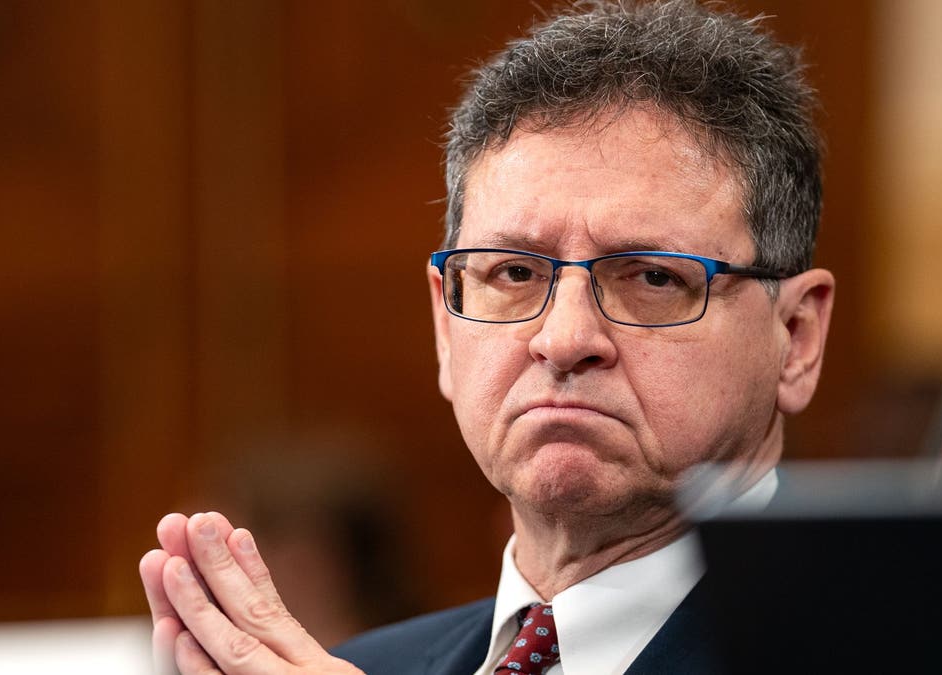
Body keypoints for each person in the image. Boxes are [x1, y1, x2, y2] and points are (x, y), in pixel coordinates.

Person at [139, 1, 834, 673]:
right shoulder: (365, 666)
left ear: (796, 337)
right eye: (513, 271)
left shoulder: (913, 648)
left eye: (651, 276)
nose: (562, 338)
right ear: (446, 325)